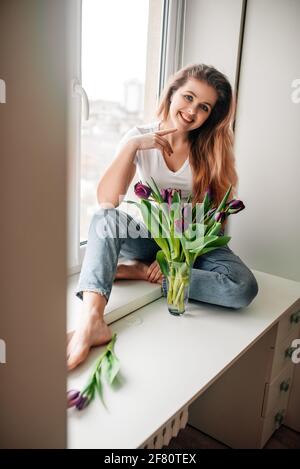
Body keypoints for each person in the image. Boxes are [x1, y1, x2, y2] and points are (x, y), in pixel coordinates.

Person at [67, 63, 258, 370]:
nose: (192, 110)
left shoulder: (212, 149)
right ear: (172, 93)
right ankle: (93, 317)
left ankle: (145, 273)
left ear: (211, 115)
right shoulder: (139, 138)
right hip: (153, 239)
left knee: (242, 288)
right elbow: (107, 201)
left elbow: (216, 216)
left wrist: (179, 259)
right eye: (188, 97)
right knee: (105, 220)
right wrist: (131, 147)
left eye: (204, 107)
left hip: (196, 244)